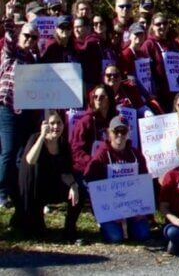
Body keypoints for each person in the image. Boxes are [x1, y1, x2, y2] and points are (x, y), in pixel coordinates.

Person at [13, 111, 83, 242]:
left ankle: (69, 230)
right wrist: (42, 136)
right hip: (34, 188)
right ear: (44, 125)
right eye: (52, 123)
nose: (56, 127)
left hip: (52, 185)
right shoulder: (35, 138)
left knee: (80, 192)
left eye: (59, 123)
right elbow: (30, 159)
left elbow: (66, 171)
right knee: (37, 234)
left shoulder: (63, 144)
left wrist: (73, 186)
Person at [84, 116, 150, 244]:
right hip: (109, 209)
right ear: (109, 133)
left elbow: (145, 183)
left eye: (123, 131)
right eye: (116, 131)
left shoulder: (136, 155)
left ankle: (131, 226)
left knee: (143, 235)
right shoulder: (101, 154)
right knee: (116, 238)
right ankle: (105, 226)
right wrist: (108, 211)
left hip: (133, 208)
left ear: (129, 132)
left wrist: (142, 210)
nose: (120, 135)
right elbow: (90, 181)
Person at [0, 14, 39, 207]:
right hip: (6, 108)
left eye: (34, 38)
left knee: (19, 155)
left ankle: (15, 192)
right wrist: (9, 18)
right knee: (7, 151)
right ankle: (1, 192)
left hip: (24, 111)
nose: (29, 40)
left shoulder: (32, 60)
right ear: (19, 34)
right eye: (27, 36)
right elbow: (8, 38)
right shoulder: (11, 52)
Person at [139, 13, 179, 112]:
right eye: (158, 24)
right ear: (152, 27)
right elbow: (144, 71)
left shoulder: (175, 44)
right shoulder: (149, 45)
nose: (162, 26)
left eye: (165, 23)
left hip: (177, 92)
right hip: (160, 94)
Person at [70, 85, 117, 179]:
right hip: (88, 170)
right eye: (95, 97)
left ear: (109, 99)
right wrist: (94, 162)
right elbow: (76, 151)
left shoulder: (115, 121)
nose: (98, 99)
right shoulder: (85, 122)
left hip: (111, 169)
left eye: (102, 96)